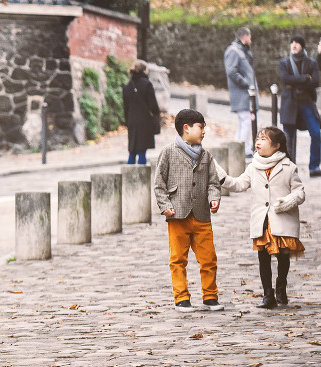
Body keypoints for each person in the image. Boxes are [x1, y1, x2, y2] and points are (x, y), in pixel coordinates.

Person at [215, 127, 305, 309]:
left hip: (282, 220)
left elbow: (299, 192)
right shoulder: (253, 166)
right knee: (263, 257)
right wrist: (222, 177)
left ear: (276, 145)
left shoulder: (289, 167)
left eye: (264, 139)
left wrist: (287, 201)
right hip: (262, 221)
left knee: (282, 256)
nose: (258, 142)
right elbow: (239, 184)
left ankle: (281, 286)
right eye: (257, 138)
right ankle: (267, 294)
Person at [154, 108, 224, 312]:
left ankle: (210, 296)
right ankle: (181, 297)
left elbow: (213, 182)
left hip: (201, 214)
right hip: (178, 215)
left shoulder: (206, 156)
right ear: (186, 128)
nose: (204, 131)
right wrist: (165, 205)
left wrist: (214, 198)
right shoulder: (168, 152)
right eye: (201, 127)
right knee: (177, 259)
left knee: (209, 258)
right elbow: (159, 183)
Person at [278, 34, 321, 176]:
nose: (294, 45)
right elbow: (285, 79)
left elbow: (315, 81)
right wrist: (304, 78)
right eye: (292, 42)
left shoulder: (311, 63)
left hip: (306, 103)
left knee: (316, 133)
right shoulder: (284, 63)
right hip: (290, 104)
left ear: (302, 46)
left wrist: (295, 81)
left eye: (297, 43)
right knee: (289, 137)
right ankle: (290, 169)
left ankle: (314, 166)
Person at [224, 27, 257, 157]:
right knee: (246, 120)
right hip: (241, 93)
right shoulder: (234, 51)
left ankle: (238, 147)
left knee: (244, 120)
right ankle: (244, 149)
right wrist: (246, 83)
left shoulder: (241, 50)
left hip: (245, 92)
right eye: (250, 37)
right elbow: (232, 71)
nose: (251, 40)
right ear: (245, 37)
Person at [122, 60, 160, 165]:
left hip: (132, 120)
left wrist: (127, 120)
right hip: (144, 120)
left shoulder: (127, 86)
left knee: (133, 150)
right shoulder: (147, 85)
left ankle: (129, 175)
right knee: (142, 150)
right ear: (144, 70)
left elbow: (125, 107)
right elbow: (153, 106)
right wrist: (156, 115)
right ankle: (142, 177)